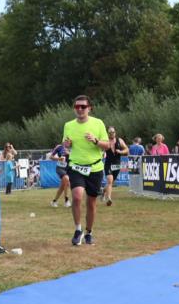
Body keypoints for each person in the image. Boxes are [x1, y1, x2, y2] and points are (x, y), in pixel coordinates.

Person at [62, 95, 109, 246]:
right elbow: (65, 145)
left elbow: (107, 145)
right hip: (76, 166)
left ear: (89, 108)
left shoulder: (98, 123)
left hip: (95, 167)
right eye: (77, 107)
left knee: (91, 202)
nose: (80, 109)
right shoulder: (68, 125)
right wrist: (66, 144)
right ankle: (78, 230)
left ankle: (89, 232)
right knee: (76, 197)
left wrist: (95, 140)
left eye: (83, 106)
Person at [102, 126, 129, 206]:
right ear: (108, 133)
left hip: (117, 164)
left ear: (115, 133)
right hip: (108, 164)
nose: (111, 134)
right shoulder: (105, 141)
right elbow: (100, 149)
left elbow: (127, 149)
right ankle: (109, 199)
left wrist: (121, 151)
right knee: (110, 180)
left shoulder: (119, 140)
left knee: (110, 182)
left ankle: (103, 192)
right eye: (110, 133)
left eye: (113, 132)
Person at [47, 142, 71, 207]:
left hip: (69, 168)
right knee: (66, 179)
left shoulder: (75, 148)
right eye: (66, 140)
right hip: (60, 168)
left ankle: (54, 201)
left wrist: (69, 154)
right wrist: (58, 159)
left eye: (68, 140)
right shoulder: (59, 147)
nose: (67, 142)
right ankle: (66, 200)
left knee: (63, 186)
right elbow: (51, 157)